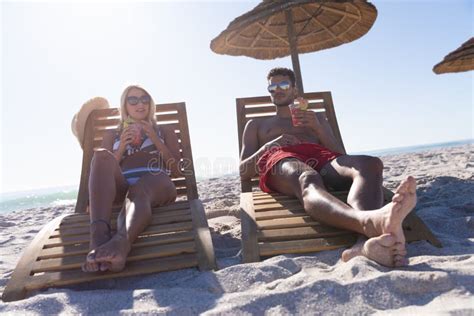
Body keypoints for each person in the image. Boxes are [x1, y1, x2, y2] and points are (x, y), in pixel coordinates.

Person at [239, 67, 417, 267]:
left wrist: (318, 128)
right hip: (281, 159)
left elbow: (340, 155)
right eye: (272, 86)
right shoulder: (256, 125)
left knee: (370, 164)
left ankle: (362, 245)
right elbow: (244, 171)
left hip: (321, 158)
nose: (277, 89)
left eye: (283, 84)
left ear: (294, 90)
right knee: (307, 177)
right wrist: (270, 145)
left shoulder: (316, 119)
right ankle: (369, 223)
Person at [82, 85, 181, 273]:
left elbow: (178, 171)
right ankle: (98, 239)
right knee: (102, 155)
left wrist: (154, 137)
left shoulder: (164, 130)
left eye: (145, 99)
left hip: (156, 183)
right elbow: (104, 168)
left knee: (140, 189)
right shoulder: (112, 134)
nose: (140, 104)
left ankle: (121, 243)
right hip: (122, 187)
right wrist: (120, 149)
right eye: (133, 100)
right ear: (124, 105)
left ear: (150, 103)